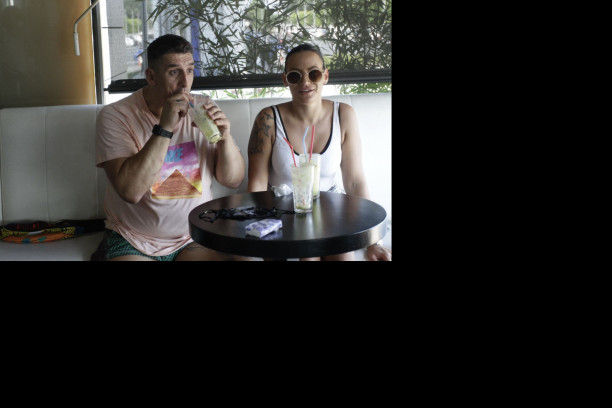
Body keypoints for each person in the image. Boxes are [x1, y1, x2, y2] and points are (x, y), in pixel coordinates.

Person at [93, 34, 253, 261]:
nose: (185, 83)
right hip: (134, 239)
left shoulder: (203, 106)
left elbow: (233, 180)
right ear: (151, 76)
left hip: (193, 236)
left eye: (190, 70)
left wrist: (225, 138)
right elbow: (130, 191)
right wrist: (164, 128)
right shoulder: (116, 116)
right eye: (174, 72)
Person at [247, 43, 391, 261]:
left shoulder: (343, 114)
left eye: (313, 73)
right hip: (280, 213)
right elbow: (256, 185)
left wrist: (372, 241)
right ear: (285, 80)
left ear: (325, 76)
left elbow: (354, 182)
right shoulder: (267, 119)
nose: (305, 82)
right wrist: (258, 233)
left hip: (330, 211)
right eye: (295, 76)